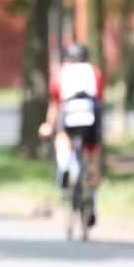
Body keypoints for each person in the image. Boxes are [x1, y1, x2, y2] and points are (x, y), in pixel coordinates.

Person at [38, 42, 104, 226]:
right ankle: (93, 202)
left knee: (62, 138)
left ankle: (65, 165)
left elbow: (55, 104)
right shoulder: (95, 72)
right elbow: (99, 98)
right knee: (91, 159)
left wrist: (48, 125)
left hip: (70, 117)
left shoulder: (60, 73)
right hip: (91, 118)